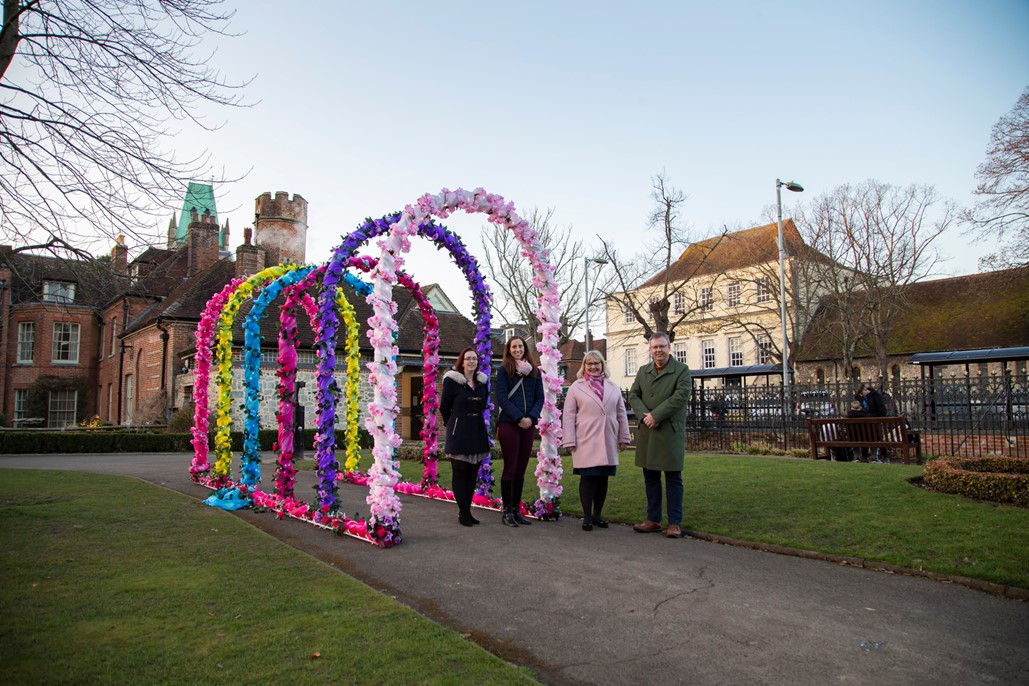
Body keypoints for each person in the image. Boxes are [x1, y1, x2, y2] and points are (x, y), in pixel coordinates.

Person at [628, 332, 693, 539]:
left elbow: (680, 397)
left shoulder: (682, 371)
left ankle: (674, 523)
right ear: (650, 349)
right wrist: (645, 415)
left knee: (673, 478)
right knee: (650, 477)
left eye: (662, 346)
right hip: (649, 431)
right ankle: (653, 520)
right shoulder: (643, 371)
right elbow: (633, 395)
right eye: (655, 347)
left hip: (669, 431)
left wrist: (656, 415)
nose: (659, 351)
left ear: (669, 347)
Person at [561, 350, 630, 531]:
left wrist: (624, 437)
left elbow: (621, 413)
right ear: (584, 366)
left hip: (608, 438)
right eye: (589, 363)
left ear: (602, 365)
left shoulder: (613, 387)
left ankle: (597, 515)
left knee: (602, 479)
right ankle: (587, 517)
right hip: (585, 439)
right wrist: (569, 440)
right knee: (588, 477)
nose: (593, 367)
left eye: (596, 363)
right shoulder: (576, 387)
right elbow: (568, 415)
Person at [494, 336, 544, 527]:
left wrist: (530, 418)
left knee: (521, 468)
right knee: (510, 466)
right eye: (514, 347)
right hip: (510, 424)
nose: (517, 349)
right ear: (509, 349)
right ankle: (507, 510)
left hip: (528, 425)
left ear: (525, 349)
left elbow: (540, 398)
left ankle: (516, 508)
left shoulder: (534, 373)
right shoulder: (504, 370)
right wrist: (518, 418)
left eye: (520, 346)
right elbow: (501, 398)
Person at [440, 347, 490, 527]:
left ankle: (468, 511)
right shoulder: (452, 381)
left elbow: (483, 405)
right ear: (461, 362)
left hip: (476, 431)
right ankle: (463, 512)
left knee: (472, 474)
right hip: (459, 432)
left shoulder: (482, 382)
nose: (471, 362)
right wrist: (454, 423)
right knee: (460, 473)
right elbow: (444, 407)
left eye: (474, 359)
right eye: (468, 359)